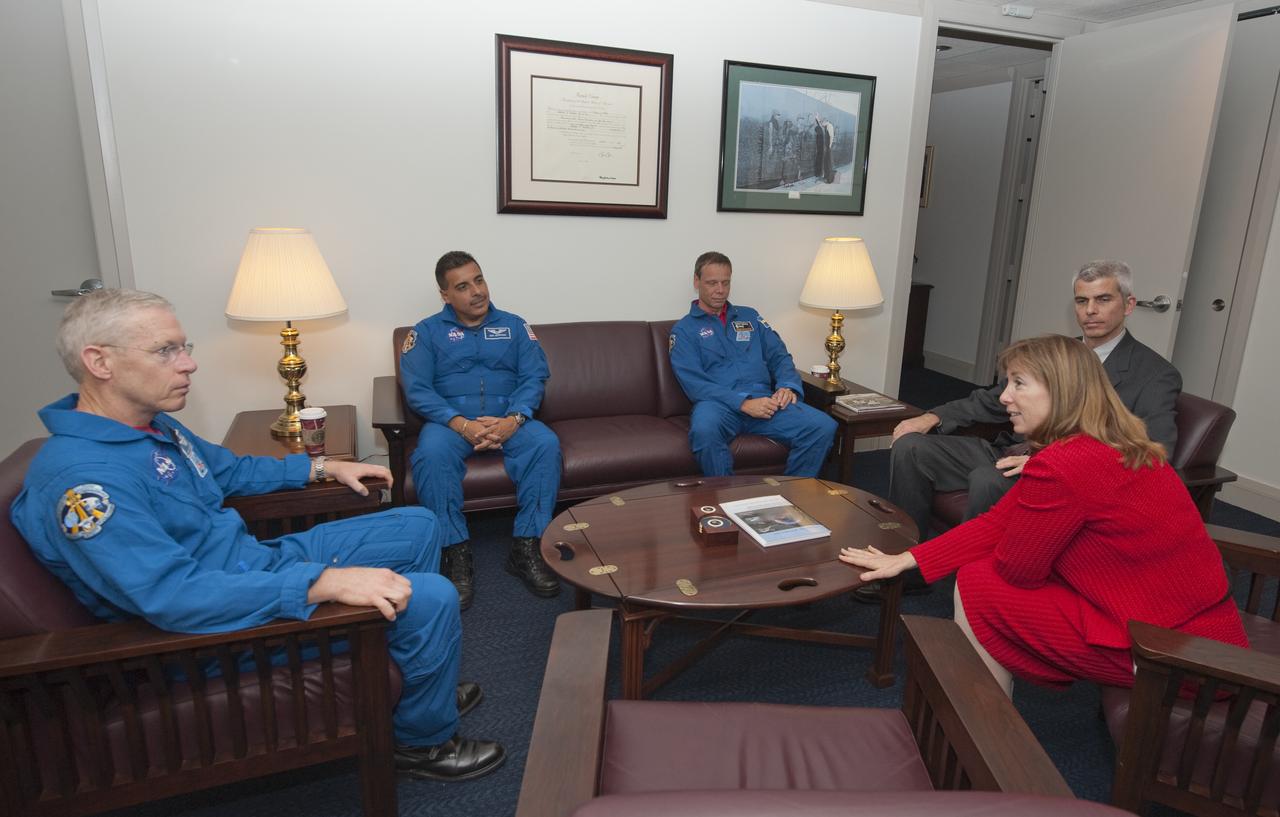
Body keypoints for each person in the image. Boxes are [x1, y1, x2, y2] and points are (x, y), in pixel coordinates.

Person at [11, 289, 504, 781]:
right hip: (214, 631)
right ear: (99, 361)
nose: (188, 365)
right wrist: (320, 584)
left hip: (252, 563)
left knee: (416, 524)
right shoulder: (84, 481)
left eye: (184, 348)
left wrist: (322, 466)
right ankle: (422, 741)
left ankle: (415, 681)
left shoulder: (148, 426)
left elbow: (229, 470)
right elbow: (172, 596)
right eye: (166, 351)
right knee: (432, 596)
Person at [839, 334, 1247, 695]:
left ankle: (984, 732)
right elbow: (998, 521)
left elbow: (1019, 571)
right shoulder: (1114, 442)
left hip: (1168, 652)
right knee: (979, 570)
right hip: (1204, 634)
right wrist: (907, 559)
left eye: (1019, 384)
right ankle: (977, 719)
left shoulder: (1067, 463)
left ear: (1062, 392)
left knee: (980, 580)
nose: (1004, 397)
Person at [858, 260, 1181, 603]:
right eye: (1081, 301)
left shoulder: (1154, 374)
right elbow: (994, 399)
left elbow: (1153, 448)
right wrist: (931, 418)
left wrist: (1056, 464)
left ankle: (969, 593)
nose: (1090, 311)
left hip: (1062, 472)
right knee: (912, 446)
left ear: (1128, 305)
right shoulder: (1058, 354)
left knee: (987, 479)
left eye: (1102, 300)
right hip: (1008, 451)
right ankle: (909, 570)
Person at [399, 251, 560, 608]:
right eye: (463, 286)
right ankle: (454, 552)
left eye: (479, 280)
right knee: (430, 454)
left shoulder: (515, 326)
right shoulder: (425, 333)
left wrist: (514, 419)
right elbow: (418, 390)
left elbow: (534, 376)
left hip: (509, 418)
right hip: (451, 423)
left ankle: (527, 546)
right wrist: (462, 424)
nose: (477, 291)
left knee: (545, 444)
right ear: (445, 295)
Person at [669, 251, 836, 477]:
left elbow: (779, 355)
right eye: (712, 283)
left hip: (765, 400)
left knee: (822, 426)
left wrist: (787, 385)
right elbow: (695, 384)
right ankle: (726, 499)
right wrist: (743, 404)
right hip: (718, 404)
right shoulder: (684, 330)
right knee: (704, 431)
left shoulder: (749, 317)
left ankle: (793, 497)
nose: (720, 290)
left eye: (726, 283)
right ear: (696, 282)